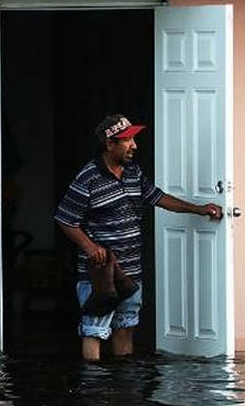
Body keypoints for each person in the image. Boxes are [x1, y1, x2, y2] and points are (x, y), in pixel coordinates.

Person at [54, 114, 223, 362]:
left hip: (131, 272)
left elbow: (158, 197)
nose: (134, 145)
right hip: (100, 273)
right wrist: (90, 247)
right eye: (127, 140)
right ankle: (93, 383)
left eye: (134, 139)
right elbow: (64, 218)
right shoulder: (88, 178)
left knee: (126, 325)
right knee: (94, 329)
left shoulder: (133, 172)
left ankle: (124, 381)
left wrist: (198, 209)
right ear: (109, 144)